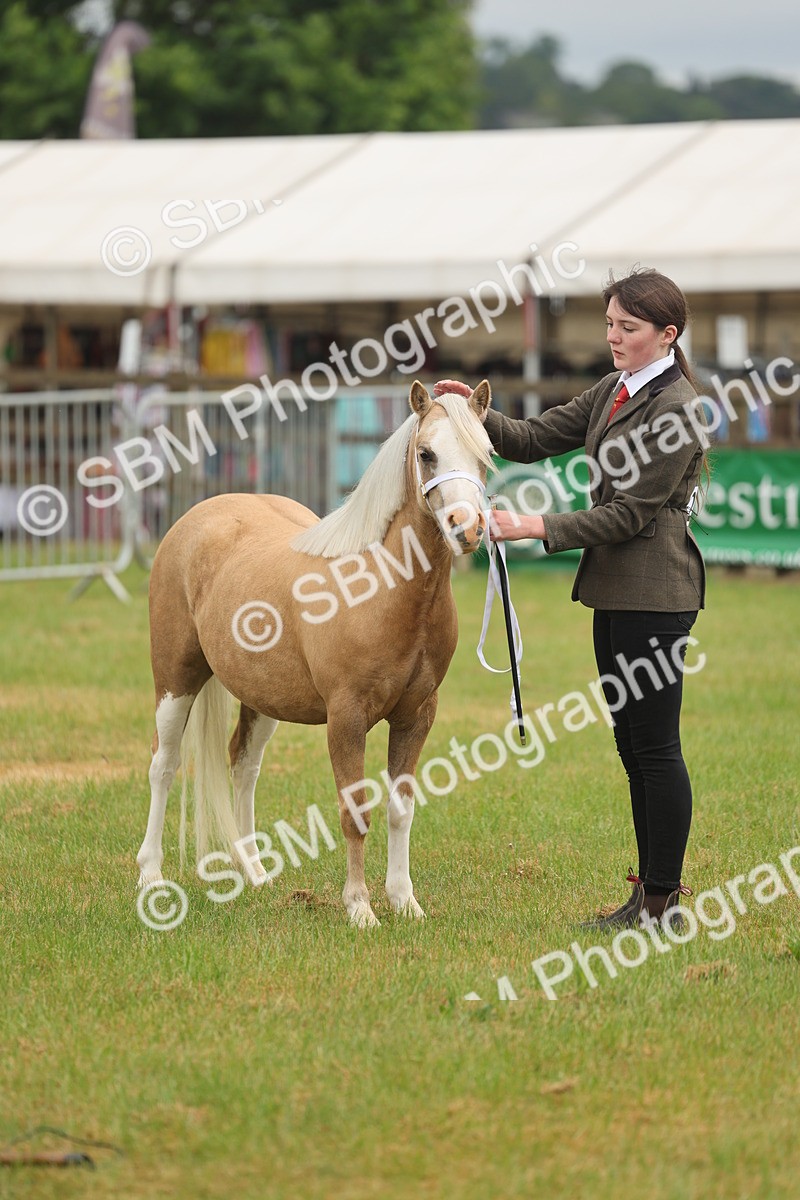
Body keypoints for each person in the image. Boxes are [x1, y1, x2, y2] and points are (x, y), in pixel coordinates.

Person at [435, 267, 707, 929]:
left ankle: (663, 901)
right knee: (629, 744)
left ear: (667, 335)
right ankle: (649, 894)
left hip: (657, 594)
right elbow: (534, 439)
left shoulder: (678, 409)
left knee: (656, 747)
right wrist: (473, 412)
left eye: (628, 327)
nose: (613, 337)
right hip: (615, 590)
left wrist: (535, 526)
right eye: (610, 323)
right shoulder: (615, 388)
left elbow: (630, 516)